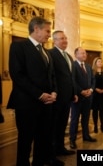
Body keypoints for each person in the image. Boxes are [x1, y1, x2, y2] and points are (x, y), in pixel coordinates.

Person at [7, 17, 64, 166]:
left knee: (43, 137)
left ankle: (39, 162)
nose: (49, 35)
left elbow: (52, 76)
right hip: (27, 103)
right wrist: (39, 94)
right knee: (26, 139)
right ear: (36, 29)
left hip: (47, 103)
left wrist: (54, 92)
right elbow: (17, 75)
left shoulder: (46, 52)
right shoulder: (18, 47)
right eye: (47, 31)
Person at [49, 30, 78, 156]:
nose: (65, 40)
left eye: (65, 38)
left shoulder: (69, 56)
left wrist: (74, 93)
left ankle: (61, 148)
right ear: (54, 41)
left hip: (67, 98)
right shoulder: (51, 54)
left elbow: (71, 77)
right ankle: (53, 151)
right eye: (61, 38)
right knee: (54, 126)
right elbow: (51, 76)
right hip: (57, 98)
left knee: (62, 125)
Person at [69, 47, 96, 149]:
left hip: (88, 98)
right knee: (75, 120)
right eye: (81, 53)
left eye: (85, 53)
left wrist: (91, 90)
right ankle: (72, 140)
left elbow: (93, 80)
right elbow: (73, 81)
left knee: (86, 119)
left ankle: (86, 136)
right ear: (76, 55)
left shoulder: (88, 66)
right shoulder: (73, 66)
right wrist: (81, 91)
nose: (84, 55)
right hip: (77, 98)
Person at [91, 57, 103, 133]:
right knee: (95, 110)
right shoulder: (92, 71)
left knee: (102, 110)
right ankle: (95, 126)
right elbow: (90, 82)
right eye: (98, 62)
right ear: (95, 63)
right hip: (95, 94)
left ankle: (102, 125)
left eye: (101, 62)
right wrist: (95, 89)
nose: (100, 63)